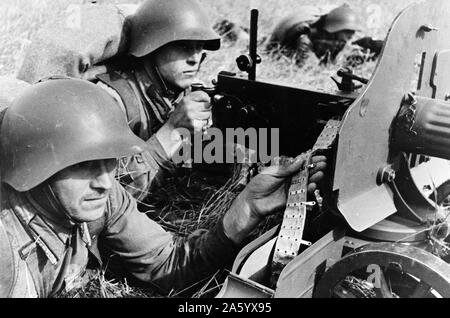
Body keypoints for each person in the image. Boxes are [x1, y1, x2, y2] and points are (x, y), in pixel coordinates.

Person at [0, 78, 326, 297]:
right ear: (36, 167)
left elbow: (166, 263)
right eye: (83, 166)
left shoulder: (103, 194)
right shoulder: (6, 249)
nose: (103, 182)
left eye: (109, 160)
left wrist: (247, 208)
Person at [94, 0, 221, 200]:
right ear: (151, 48)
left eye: (199, 47)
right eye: (183, 46)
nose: (195, 58)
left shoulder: (185, 91)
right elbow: (107, 195)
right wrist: (171, 132)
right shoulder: (110, 99)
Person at [268, 4, 361, 65]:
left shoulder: (335, 36)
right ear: (336, 28)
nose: (352, 35)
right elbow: (305, 65)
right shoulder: (305, 33)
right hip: (280, 50)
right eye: (348, 31)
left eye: (353, 31)